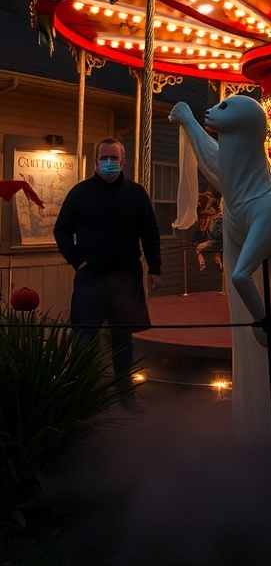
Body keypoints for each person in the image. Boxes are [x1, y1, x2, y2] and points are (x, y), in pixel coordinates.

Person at [54, 137, 161, 413]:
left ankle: (126, 397)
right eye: (105, 158)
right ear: (95, 162)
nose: (109, 163)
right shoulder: (80, 193)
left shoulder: (137, 194)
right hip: (91, 280)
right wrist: (77, 261)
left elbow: (149, 232)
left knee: (123, 342)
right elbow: (61, 230)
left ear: (123, 161)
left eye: (114, 158)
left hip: (126, 280)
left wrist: (155, 268)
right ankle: (77, 398)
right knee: (82, 340)